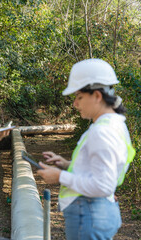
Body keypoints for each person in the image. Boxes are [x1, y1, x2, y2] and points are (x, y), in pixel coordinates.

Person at [37, 59, 136, 240]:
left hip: (89, 214)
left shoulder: (102, 131)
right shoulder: (115, 125)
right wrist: (66, 164)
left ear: (97, 96)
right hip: (97, 212)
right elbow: (101, 170)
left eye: (79, 97)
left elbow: (103, 185)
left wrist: (59, 176)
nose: (75, 103)